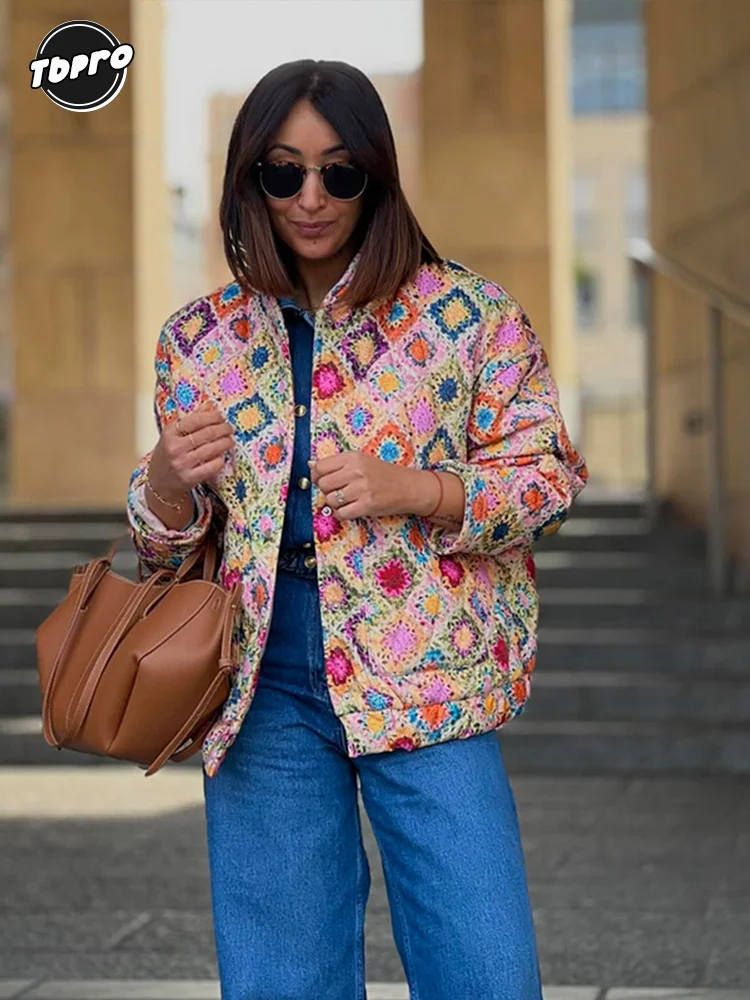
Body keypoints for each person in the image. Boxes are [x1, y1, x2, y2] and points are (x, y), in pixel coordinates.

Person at [127, 59, 587, 1000]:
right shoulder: (197, 337)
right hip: (260, 676)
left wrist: (414, 488)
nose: (310, 197)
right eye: (282, 171)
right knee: (280, 980)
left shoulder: (468, 315)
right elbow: (167, 544)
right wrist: (166, 482)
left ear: (376, 176)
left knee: (485, 968)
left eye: (339, 172)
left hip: (430, 663)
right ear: (247, 180)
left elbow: (548, 475)